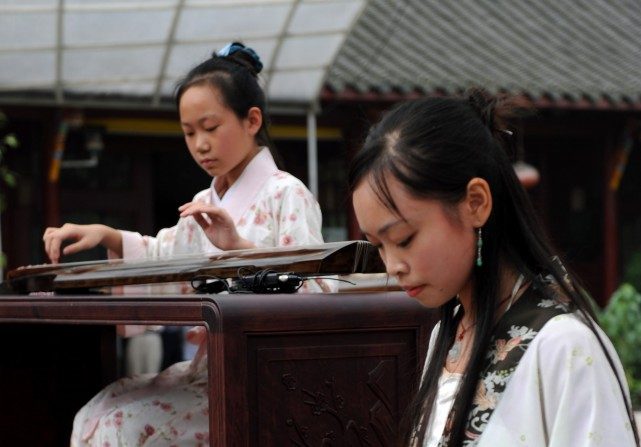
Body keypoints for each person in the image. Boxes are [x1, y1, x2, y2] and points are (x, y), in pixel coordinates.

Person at [43, 42, 325, 446]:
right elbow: (164, 256)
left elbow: (315, 291)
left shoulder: (288, 194)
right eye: (189, 133)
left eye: (211, 128)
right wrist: (107, 235)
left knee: (123, 428)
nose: (200, 145)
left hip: (262, 376)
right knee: (96, 411)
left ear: (252, 120)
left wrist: (239, 247)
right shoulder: (206, 203)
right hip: (208, 369)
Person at [349, 89, 639, 447]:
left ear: (476, 203)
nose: (393, 266)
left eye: (405, 239)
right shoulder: (449, 333)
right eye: (379, 246)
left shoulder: (564, 346)